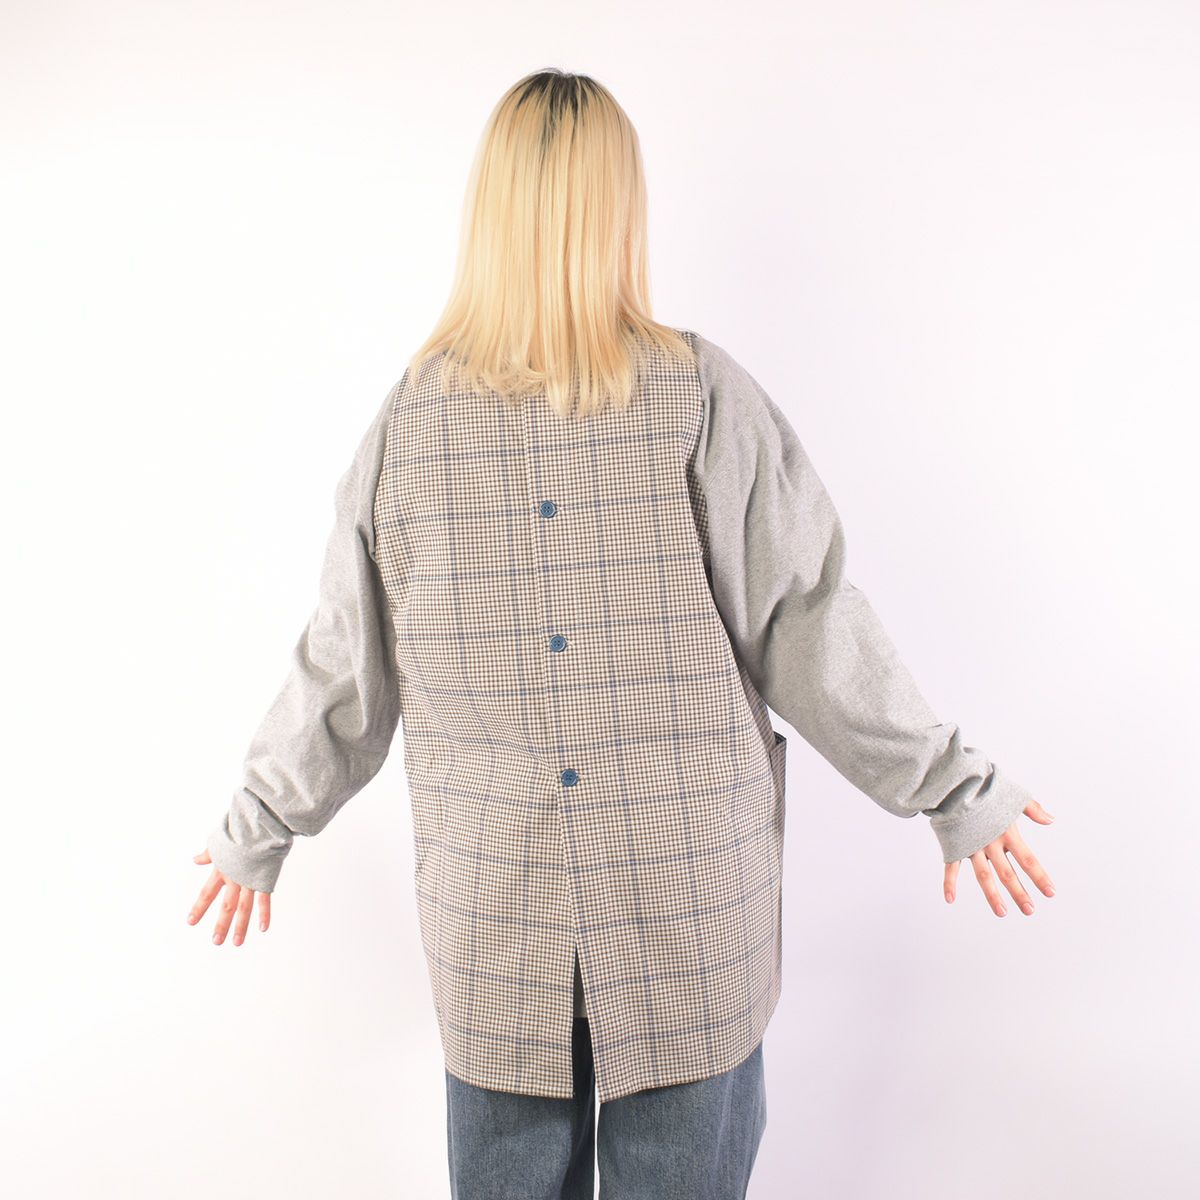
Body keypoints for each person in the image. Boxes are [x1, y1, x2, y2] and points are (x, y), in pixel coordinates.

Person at [186, 68, 1055, 1200]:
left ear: (489, 210)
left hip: (499, 917)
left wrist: (261, 820)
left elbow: (344, 671)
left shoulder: (415, 420)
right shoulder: (698, 394)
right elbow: (807, 620)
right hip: (685, 912)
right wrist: (950, 787)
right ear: (620, 208)